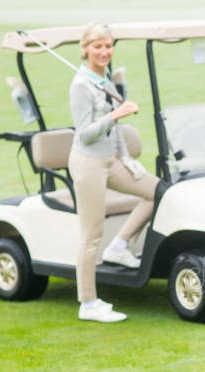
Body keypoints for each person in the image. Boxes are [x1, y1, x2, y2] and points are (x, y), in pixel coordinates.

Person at [68, 22, 160, 323]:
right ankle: (88, 303)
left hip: (111, 161)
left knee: (157, 191)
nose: (105, 51)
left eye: (108, 46)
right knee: (91, 234)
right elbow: (85, 134)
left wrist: (127, 159)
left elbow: (115, 131)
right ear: (85, 49)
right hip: (89, 164)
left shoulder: (104, 77)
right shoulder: (81, 85)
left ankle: (120, 245)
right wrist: (115, 114)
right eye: (98, 46)